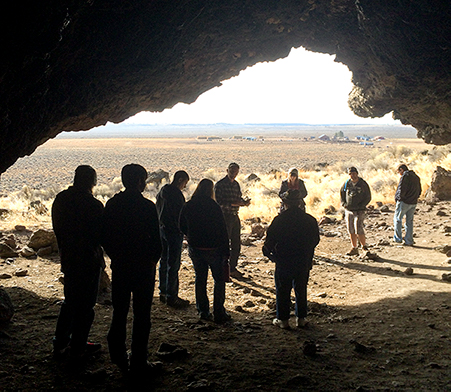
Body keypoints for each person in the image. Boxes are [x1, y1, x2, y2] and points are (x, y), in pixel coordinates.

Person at [101, 164, 162, 374]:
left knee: (120, 311)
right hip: (143, 268)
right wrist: (152, 260)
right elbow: (156, 239)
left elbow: (105, 237)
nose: (145, 183)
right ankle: (139, 360)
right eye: (144, 179)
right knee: (142, 315)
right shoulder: (147, 207)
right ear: (138, 181)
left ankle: (118, 356)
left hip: (121, 266)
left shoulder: (112, 205)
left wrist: (116, 256)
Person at [51, 165, 104, 359]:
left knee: (70, 301)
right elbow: (100, 235)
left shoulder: (60, 200)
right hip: (89, 260)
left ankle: (61, 341)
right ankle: (78, 344)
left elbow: (58, 229)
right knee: (86, 305)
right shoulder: (93, 205)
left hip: (69, 258)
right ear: (92, 181)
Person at [263, 189, 320, 329]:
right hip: (303, 260)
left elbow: (269, 242)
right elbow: (315, 240)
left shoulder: (279, 220)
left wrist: (271, 255)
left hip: (284, 261)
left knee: (282, 290)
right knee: (301, 289)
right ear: (300, 202)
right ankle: (301, 318)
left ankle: (283, 320)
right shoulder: (310, 220)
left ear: (285, 203)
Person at [179, 179, 231, 323]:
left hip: (195, 247)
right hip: (214, 248)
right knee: (219, 280)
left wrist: (190, 236)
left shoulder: (188, 205)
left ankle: (203, 311)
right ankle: (219, 311)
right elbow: (222, 230)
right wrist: (226, 251)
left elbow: (181, 225)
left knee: (200, 279)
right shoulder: (214, 206)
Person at [156, 170, 190, 308]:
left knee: (164, 261)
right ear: (180, 180)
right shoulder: (177, 195)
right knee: (174, 263)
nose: (185, 187)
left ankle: (163, 291)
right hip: (174, 232)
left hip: (162, 229)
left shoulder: (162, 192)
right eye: (185, 183)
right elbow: (181, 216)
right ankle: (172, 296)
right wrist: (185, 230)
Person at [214, 162, 250, 279]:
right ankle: (222, 268)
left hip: (235, 216)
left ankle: (232, 268)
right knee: (224, 243)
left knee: (236, 243)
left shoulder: (236, 185)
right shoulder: (220, 185)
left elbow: (238, 197)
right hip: (225, 216)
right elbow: (219, 203)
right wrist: (236, 203)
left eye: (236, 172)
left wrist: (244, 202)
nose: (233, 174)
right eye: (232, 171)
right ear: (227, 170)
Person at [340, 166, 371, 256]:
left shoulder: (362, 184)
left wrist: (362, 205)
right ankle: (354, 248)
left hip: (359, 210)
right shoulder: (347, 183)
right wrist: (344, 204)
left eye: (354, 173)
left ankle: (364, 247)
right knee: (351, 229)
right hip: (349, 210)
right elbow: (342, 193)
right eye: (350, 174)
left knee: (359, 228)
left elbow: (368, 196)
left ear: (357, 173)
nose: (352, 176)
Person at [393, 164, 422, 246]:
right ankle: (409, 240)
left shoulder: (405, 176)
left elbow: (402, 189)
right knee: (409, 221)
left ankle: (398, 239)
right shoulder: (416, 177)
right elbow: (419, 190)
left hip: (404, 202)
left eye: (399, 172)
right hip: (413, 202)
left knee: (398, 219)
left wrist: (399, 198)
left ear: (401, 170)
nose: (399, 174)